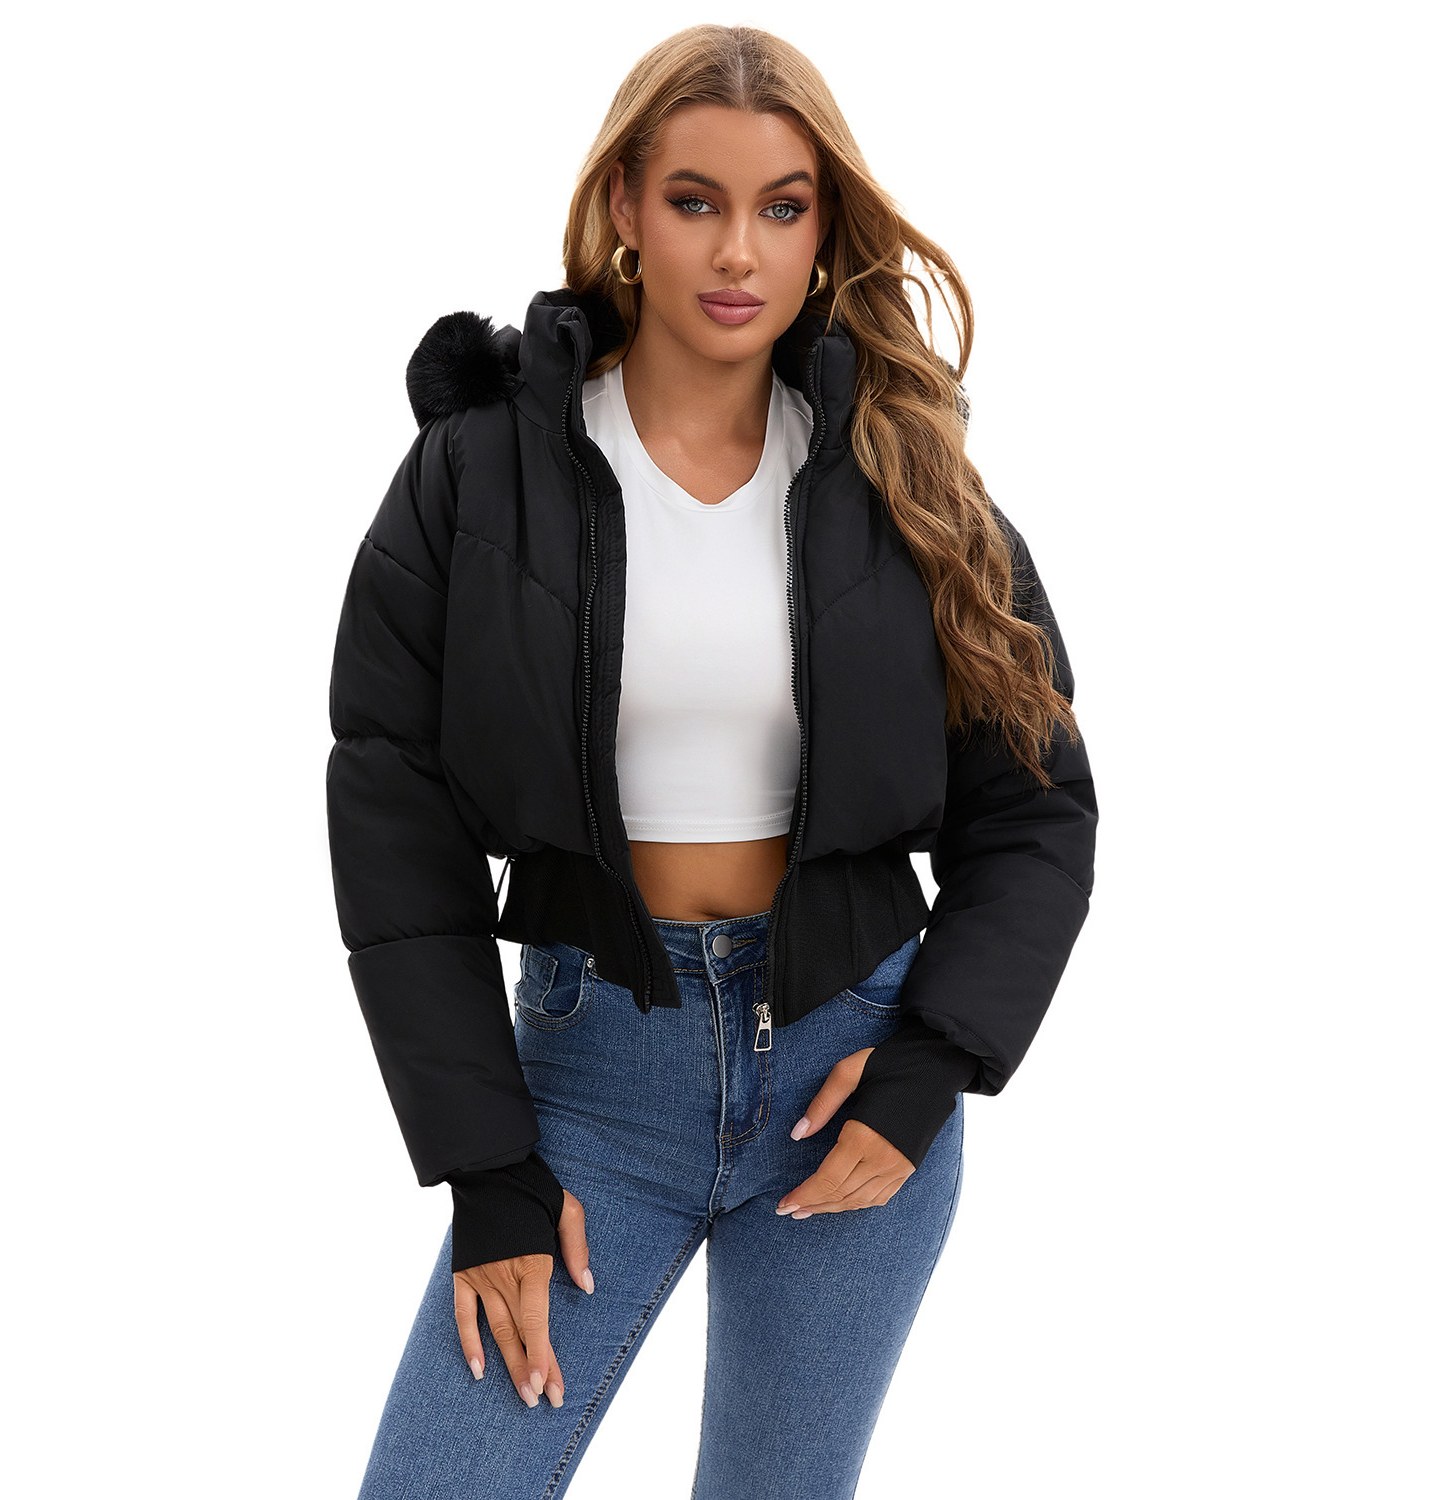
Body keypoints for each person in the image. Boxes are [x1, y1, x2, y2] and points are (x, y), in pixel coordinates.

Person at [326, 23, 1097, 1499]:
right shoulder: (480, 471)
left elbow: (1038, 802)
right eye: (696, 200)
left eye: (782, 207)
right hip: (587, 1084)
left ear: (823, 229)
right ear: (625, 205)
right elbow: (391, 815)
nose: (740, 251)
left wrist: (927, 1067)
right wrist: (488, 1166)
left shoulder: (903, 474)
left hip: (844, 1072)